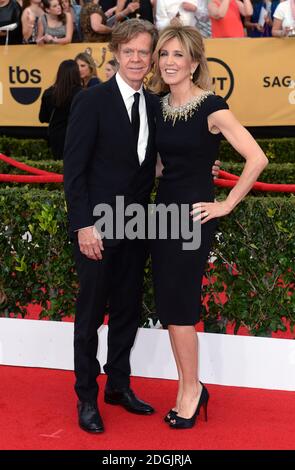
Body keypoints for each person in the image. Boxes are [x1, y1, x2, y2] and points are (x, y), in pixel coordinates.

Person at [63, 18, 220, 434]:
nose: (137, 58)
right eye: (128, 51)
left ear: (151, 58)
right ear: (115, 53)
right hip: (97, 226)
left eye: (143, 51)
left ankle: (117, 386)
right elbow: (73, 171)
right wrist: (82, 225)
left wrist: (205, 167)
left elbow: (171, 156)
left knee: (129, 312)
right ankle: (86, 396)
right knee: (91, 315)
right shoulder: (91, 101)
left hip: (138, 225)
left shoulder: (156, 103)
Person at [149, 25, 268, 429]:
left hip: (193, 219)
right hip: (163, 214)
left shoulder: (212, 106)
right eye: (163, 54)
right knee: (169, 306)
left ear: (194, 62)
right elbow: (165, 165)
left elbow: (257, 158)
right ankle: (188, 385)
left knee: (181, 307)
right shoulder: (158, 107)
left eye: (178, 55)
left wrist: (226, 205)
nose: (169, 62)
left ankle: (191, 390)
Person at [39, 59, 82, 159]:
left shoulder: (48, 93)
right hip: (76, 136)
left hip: (55, 136)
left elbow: (42, 118)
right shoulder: (81, 94)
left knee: (58, 167)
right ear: (76, 74)